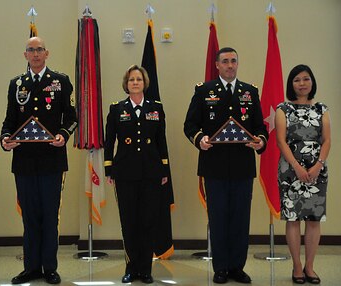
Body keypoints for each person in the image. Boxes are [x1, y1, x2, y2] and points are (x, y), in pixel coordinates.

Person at [184, 47, 268, 284]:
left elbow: (259, 127)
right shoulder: (204, 91)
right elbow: (190, 124)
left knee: (240, 219)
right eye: (225, 61)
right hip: (214, 167)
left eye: (234, 61)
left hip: (242, 167)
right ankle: (220, 267)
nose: (230, 65)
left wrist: (261, 140)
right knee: (219, 218)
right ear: (217, 65)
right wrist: (200, 139)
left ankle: (236, 267)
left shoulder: (249, 92)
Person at [1, 36, 77, 285]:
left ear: (47, 53)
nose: (35, 54)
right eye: (31, 50)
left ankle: (49, 268)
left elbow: (72, 117)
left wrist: (63, 135)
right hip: (23, 161)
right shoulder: (17, 84)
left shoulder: (60, 81)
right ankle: (31, 267)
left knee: (49, 216)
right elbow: (10, 120)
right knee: (29, 216)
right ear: (25, 55)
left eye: (39, 50)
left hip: (51, 160)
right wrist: (4, 139)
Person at [104, 65, 169, 284]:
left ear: (144, 83)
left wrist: (164, 169)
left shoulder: (156, 108)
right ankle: (131, 267)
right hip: (125, 173)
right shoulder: (117, 109)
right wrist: (108, 168)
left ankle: (145, 269)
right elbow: (109, 141)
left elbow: (161, 141)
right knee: (129, 221)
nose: (135, 82)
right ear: (126, 84)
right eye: (131, 79)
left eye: (139, 79)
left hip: (151, 172)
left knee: (148, 221)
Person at [275, 64, 330, 285]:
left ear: (312, 82)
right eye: (297, 80)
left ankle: (310, 267)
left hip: (317, 169)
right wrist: (297, 167)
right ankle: (297, 267)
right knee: (293, 218)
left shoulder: (322, 109)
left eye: (306, 79)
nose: (302, 83)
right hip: (290, 169)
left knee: (314, 219)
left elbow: (326, 140)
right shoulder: (283, 109)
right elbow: (281, 141)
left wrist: (318, 165)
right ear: (291, 84)